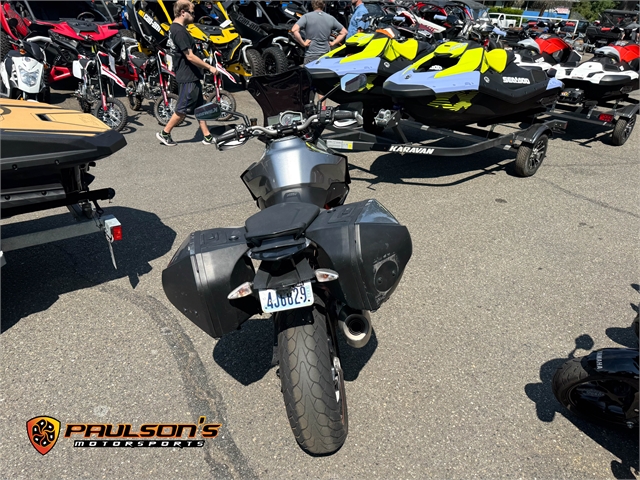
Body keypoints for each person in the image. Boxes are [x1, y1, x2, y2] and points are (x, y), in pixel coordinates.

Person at [156, 0, 218, 147]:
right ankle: (165, 133)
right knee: (182, 109)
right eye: (192, 12)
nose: (194, 15)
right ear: (183, 12)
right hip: (187, 75)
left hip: (191, 75)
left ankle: (207, 136)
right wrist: (209, 67)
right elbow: (189, 56)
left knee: (200, 108)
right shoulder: (179, 31)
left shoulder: (176, 29)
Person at [291, 0, 347, 65]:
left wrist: (303, 44)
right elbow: (344, 32)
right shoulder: (331, 18)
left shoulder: (306, 17)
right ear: (324, 5)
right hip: (325, 55)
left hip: (311, 55)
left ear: (312, 5)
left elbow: (294, 30)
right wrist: (333, 43)